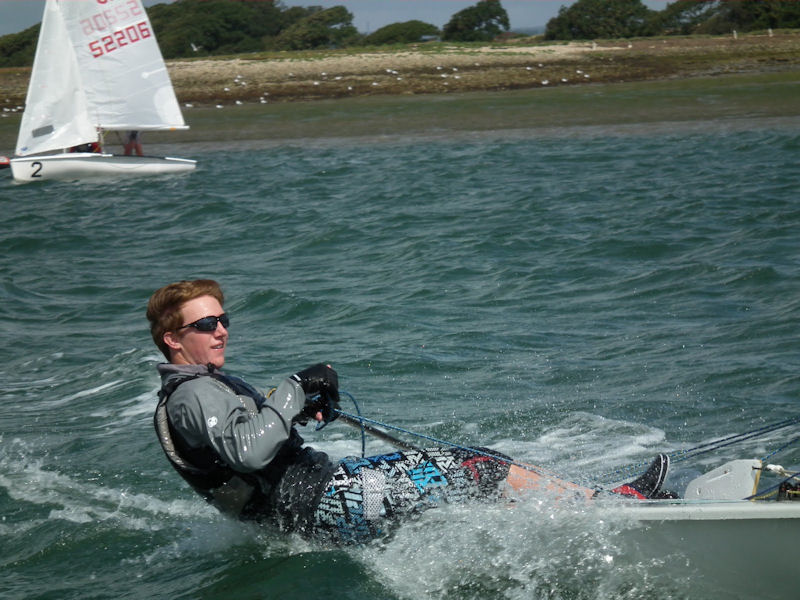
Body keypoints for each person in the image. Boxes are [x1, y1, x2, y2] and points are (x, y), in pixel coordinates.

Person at [147, 279, 672, 543]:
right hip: (318, 504)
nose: (221, 330)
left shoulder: (204, 386)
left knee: (468, 474)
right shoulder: (192, 394)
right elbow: (249, 448)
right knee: (474, 466)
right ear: (173, 339)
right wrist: (293, 386)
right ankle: (609, 506)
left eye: (223, 318)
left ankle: (566, 521)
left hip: (307, 506)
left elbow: (250, 440)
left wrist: (300, 409)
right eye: (205, 324)